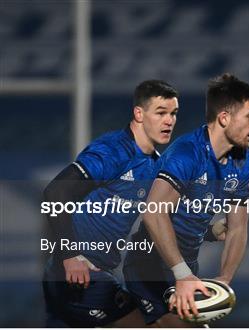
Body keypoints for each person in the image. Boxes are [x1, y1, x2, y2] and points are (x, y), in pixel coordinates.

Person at [123, 73, 249, 326]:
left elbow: (238, 226)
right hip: (150, 264)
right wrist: (182, 274)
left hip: (187, 264)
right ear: (224, 118)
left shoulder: (245, 162)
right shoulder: (187, 153)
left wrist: (225, 278)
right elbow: (154, 212)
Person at [42, 80, 179, 327]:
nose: (169, 121)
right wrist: (70, 255)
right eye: (161, 113)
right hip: (75, 273)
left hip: (100, 273)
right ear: (139, 113)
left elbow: (163, 218)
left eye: (173, 113)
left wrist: (212, 231)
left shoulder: (156, 165)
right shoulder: (112, 151)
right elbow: (55, 192)